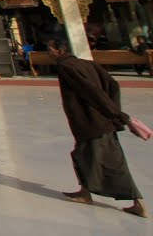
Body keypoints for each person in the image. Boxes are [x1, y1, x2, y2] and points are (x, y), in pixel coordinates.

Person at [46, 39, 146, 217]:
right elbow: (113, 85)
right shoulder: (87, 64)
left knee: (113, 163)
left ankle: (138, 203)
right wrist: (113, 111)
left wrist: (116, 114)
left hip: (91, 123)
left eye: (50, 50)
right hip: (98, 122)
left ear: (60, 51)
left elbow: (91, 92)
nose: (48, 53)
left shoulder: (66, 67)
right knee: (82, 156)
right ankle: (85, 193)